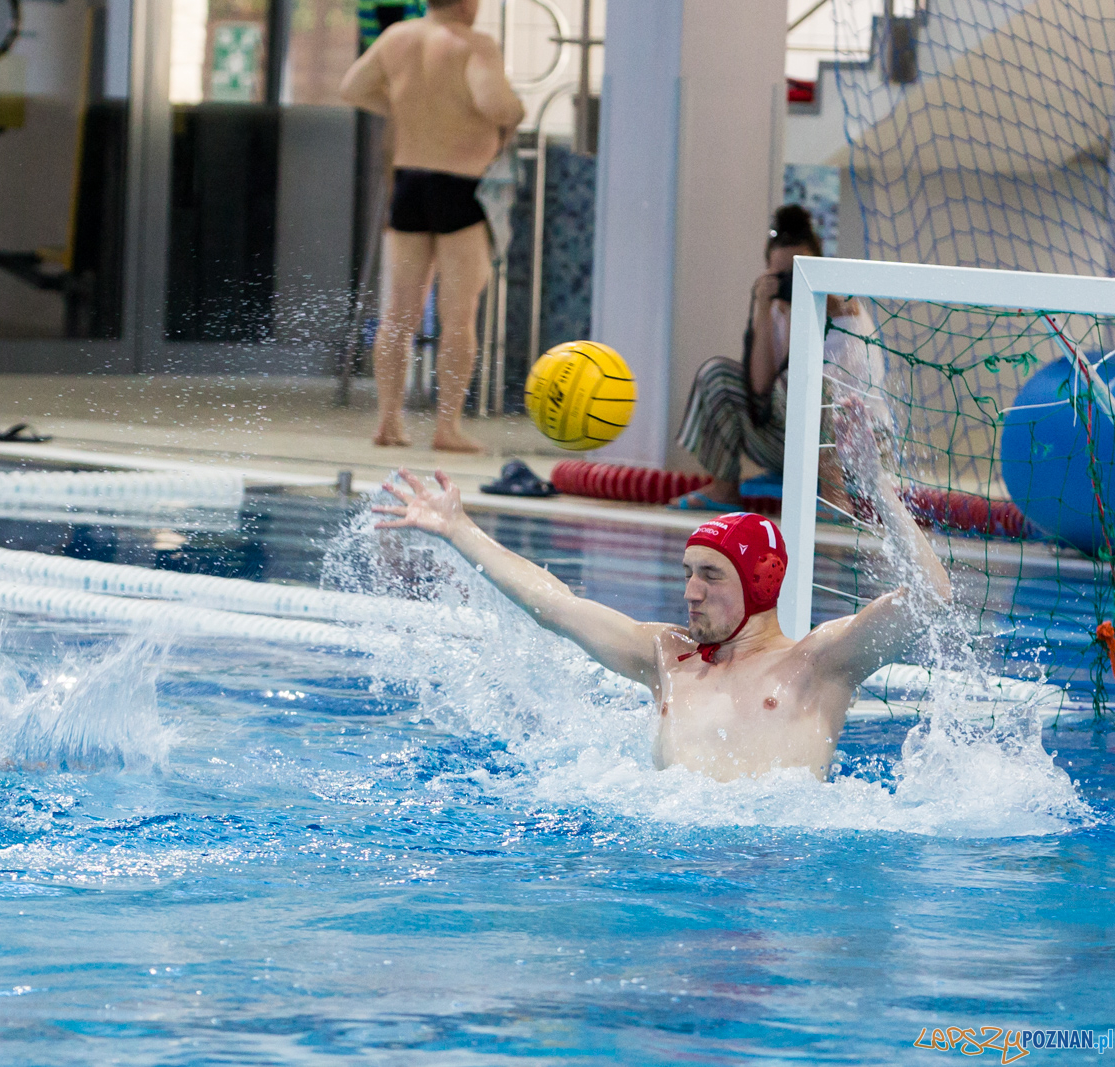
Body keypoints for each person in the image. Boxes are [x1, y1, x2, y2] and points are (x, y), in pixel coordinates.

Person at [372, 399, 951, 782]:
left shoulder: (817, 665)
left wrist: (879, 488)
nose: (691, 592)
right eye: (687, 573)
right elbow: (556, 605)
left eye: (711, 574)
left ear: (759, 584)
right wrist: (459, 529)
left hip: (776, 866)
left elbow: (932, 600)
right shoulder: (667, 657)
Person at [339, 0, 524, 454]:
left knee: (398, 313)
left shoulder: (397, 37)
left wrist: (401, 106)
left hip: (409, 185)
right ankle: (447, 427)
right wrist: (514, 109)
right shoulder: (473, 45)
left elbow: (352, 88)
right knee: (458, 314)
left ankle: (387, 422)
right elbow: (497, 105)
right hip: (458, 187)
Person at [671, 205, 867, 512]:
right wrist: (764, 308)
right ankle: (724, 488)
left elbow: (827, 389)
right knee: (717, 372)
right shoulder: (777, 312)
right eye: (782, 275)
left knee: (805, 376)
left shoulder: (846, 311)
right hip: (788, 447)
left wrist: (814, 297)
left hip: (855, 451)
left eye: (799, 273)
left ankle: (834, 494)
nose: (792, 282)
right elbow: (759, 389)